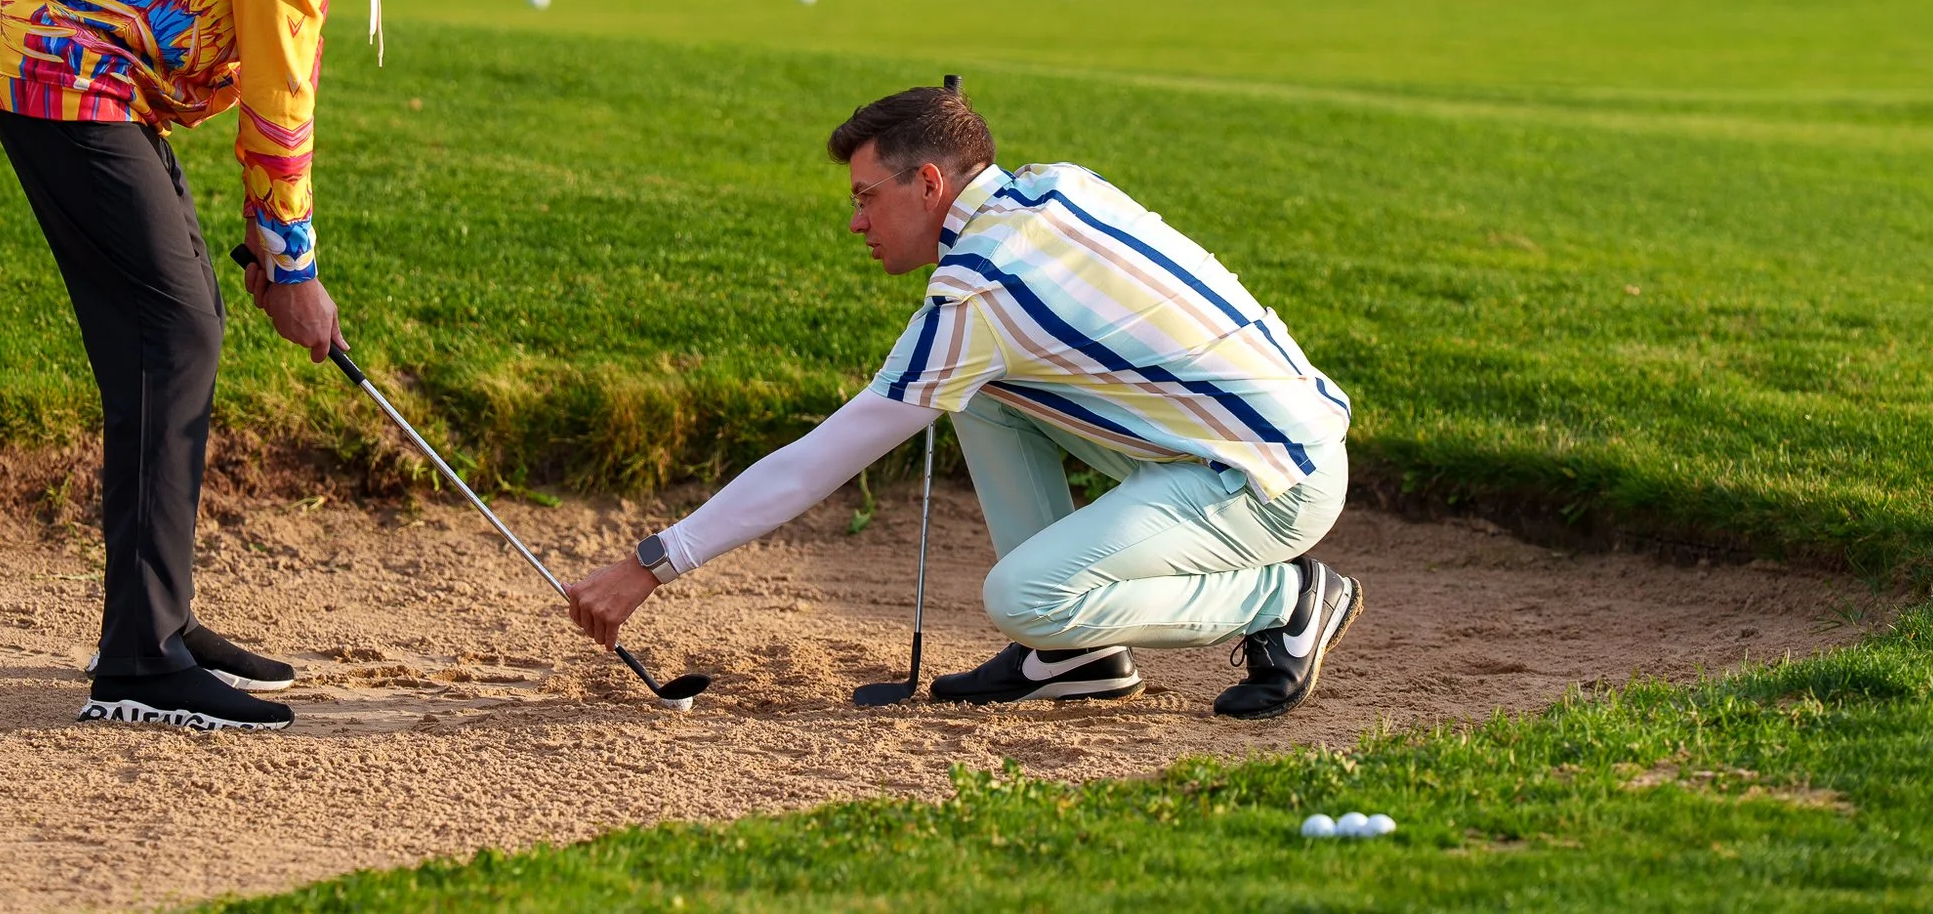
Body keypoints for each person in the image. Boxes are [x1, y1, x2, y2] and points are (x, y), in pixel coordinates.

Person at [0, 0, 555, 731]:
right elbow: (282, 92)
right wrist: (292, 261)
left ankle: (161, 618)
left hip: (98, 80)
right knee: (174, 332)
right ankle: (139, 664)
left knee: (183, 318)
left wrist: (271, 242)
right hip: (63, 74)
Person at [566, 84, 1359, 718]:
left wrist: (653, 564)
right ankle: (1074, 659)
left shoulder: (980, 289)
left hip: (1268, 479)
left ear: (932, 182)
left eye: (868, 196)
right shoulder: (1055, 186)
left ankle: (1283, 599)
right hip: (1235, 437)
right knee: (973, 391)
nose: (854, 221)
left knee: (1024, 596)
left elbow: (815, 464)